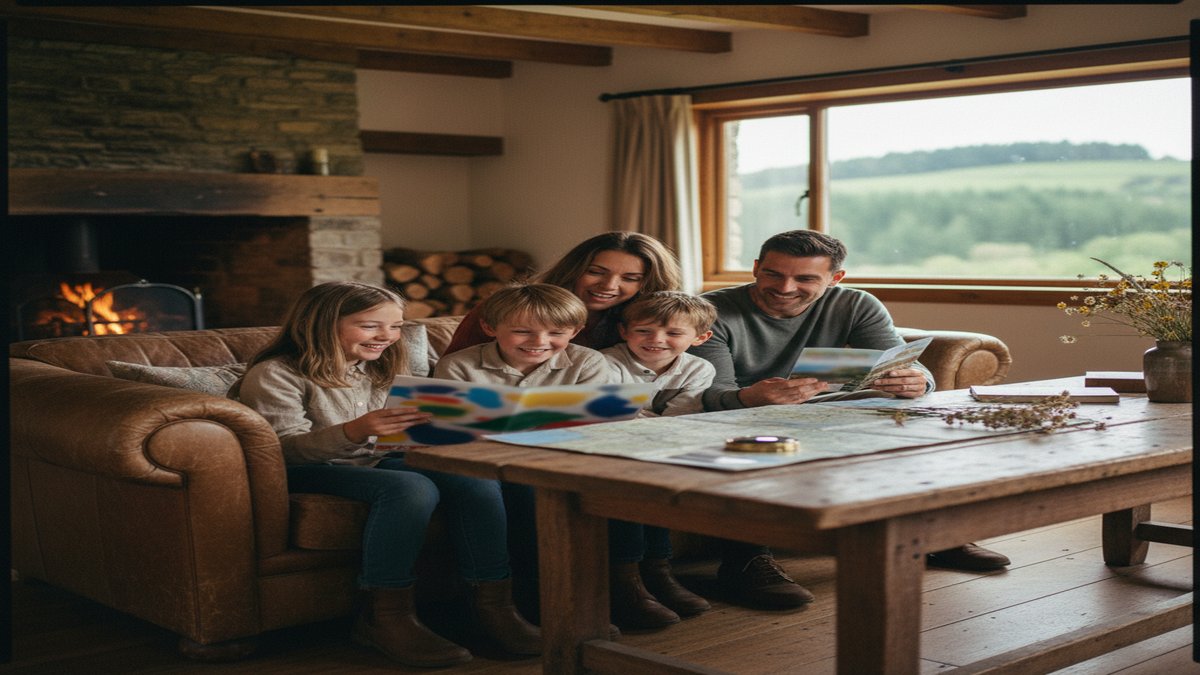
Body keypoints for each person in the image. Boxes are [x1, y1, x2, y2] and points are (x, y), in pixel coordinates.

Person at [689, 230, 1012, 609]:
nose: (785, 287)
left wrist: (914, 381)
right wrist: (748, 397)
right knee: (751, 436)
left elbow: (912, 369)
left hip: (831, 410)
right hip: (747, 414)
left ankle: (937, 537)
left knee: (912, 421)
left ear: (835, 279)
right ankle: (745, 562)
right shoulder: (711, 311)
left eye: (805, 279)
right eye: (773, 274)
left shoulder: (857, 304)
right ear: (757, 268)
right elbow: (711, 395)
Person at [231, 281, 540, 668]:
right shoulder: (276, 372)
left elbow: (402, 429)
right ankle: (384, 616)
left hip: (381, 457)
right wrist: (354, 431)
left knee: (473, 476)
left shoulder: (387, 364)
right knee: (410, 488)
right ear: (323, 323)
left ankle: (493, 605)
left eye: (395, 327)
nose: (387, 337)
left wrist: (441, 426)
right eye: (371, 326)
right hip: (310, 469)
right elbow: (282, 449)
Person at [600, 290, 718, 629]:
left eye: (673, 333)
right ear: (624, 331)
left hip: (659, 448)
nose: (657, 340)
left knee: (659, 484)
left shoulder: (699, 369)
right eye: (644, 331)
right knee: (627, 486)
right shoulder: (604, 363)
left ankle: (659, 571)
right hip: (609, 448)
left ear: (701, 338)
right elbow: (610, 419)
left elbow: (680, 420)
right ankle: (627, 577)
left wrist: (644, 423)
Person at [444, 230, 682, 356]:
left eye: (630, 278)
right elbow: (454, 369)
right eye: (596, 272)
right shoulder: (505, 308)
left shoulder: (652, 325)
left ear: (648, 284)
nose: (609, 285)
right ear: (574, 269)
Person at [433, 282, 614, 386]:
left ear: (575, 332)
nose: (539, 341)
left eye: (556, 333)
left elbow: (594, 421)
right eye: (522, 331)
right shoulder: (457, 366)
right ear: (489, 328)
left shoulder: (588, 363)